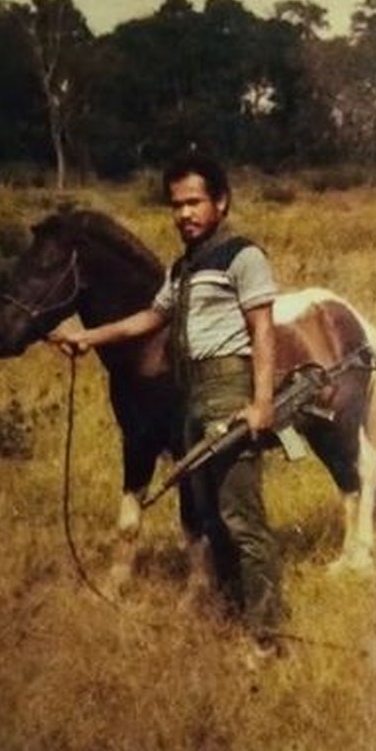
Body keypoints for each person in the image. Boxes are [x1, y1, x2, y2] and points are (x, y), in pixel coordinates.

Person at [51, 152, 284, 656]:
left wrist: (262, 401)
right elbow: (147, 321)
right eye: (176, 205)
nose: (184, 214)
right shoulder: (182, 269)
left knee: (242, 517)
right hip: (191, 393)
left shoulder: (243, 256)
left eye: (195, 202)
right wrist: (88, 337)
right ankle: (229, 614)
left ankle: (267, 638)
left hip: (228, 386)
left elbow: (262, 328)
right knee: (207, 510)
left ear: (220, 201)